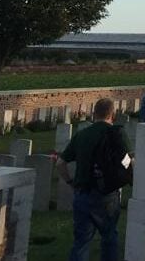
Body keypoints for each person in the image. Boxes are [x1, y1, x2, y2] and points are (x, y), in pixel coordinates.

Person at [56, 98, 131, 261]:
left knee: (81, 242)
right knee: (109, 238)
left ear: (94, 113)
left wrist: (70, 182)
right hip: (108, 194)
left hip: (83, 193)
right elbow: (128, 161)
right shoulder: (117, 133)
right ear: (112, 114)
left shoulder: (82, 135)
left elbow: (60, 163)